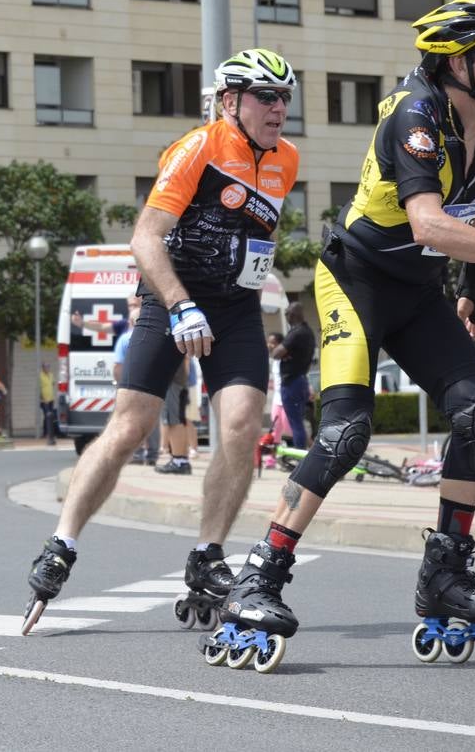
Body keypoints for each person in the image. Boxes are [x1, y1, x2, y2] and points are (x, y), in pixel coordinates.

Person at [216, 0, 475, 668]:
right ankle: (259, 578)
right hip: (356, 282)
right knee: (345, 433)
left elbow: (469, 202)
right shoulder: (413, 116)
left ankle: (445, 573)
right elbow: (427, 223)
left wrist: (471, 287)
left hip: (420, 292)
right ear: (458, 61)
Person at [22, 48, 302, 633]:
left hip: (236, 309)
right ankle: (61, 542)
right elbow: (146, 239)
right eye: (265, 96)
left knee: (242, 425)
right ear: (231, 101)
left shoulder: (287, 160)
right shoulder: (198, 148)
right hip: (172, 299)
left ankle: (207, 554)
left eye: (285, 98)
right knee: (129, 428)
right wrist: (178, 305)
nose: (278, 108)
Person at [110, 296, 159, 464]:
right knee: (152, 420)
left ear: (131, 322)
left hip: (132, 385)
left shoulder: (124, 339)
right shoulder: (154, 337)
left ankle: (137, 455)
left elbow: (118, 366)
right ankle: (152, 455)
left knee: (131, 418)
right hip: (154, 385)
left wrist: (120, 385)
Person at [271, 302, 315, 448]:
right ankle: (303, 455)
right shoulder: (308, 332)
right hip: (301, 380)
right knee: (298, 422)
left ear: (292, 314)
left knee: (295, 423)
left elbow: (276, 354)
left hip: (292, 382)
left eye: (286, 314)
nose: (286, 317)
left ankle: (300, 457)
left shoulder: (297, 333)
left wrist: (283, 353)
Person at [155, 355, 194, 474]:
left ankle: (179, 461)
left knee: (173, 421)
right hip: (178, 380)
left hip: (172, 380)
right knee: (179, 420)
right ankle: (181, 460)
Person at [38, 362, 58, 446]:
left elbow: (53, 384)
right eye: (46, 367)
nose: (48, 368)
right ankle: (46, 432)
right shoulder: (40, 376)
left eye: (48, 367)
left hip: (51, 399)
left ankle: (50, 433)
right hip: (44, 400)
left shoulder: (51, 375)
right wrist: (42, 398)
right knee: (47, 416)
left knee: (50, 416)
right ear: (43, 368)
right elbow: (39, 387)